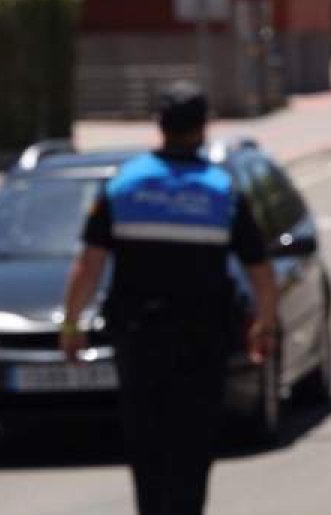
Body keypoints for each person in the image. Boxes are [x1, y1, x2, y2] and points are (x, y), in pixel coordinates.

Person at [60, 81, 279, 515]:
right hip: (202, 344)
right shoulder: (221, 190)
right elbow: (260, 270)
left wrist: (71, 324)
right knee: (192, 446)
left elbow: (88, 265)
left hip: (140, 342)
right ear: (203, 128)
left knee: (147, 444)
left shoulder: (124, 186)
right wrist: (263, 325)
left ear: (160, 127)